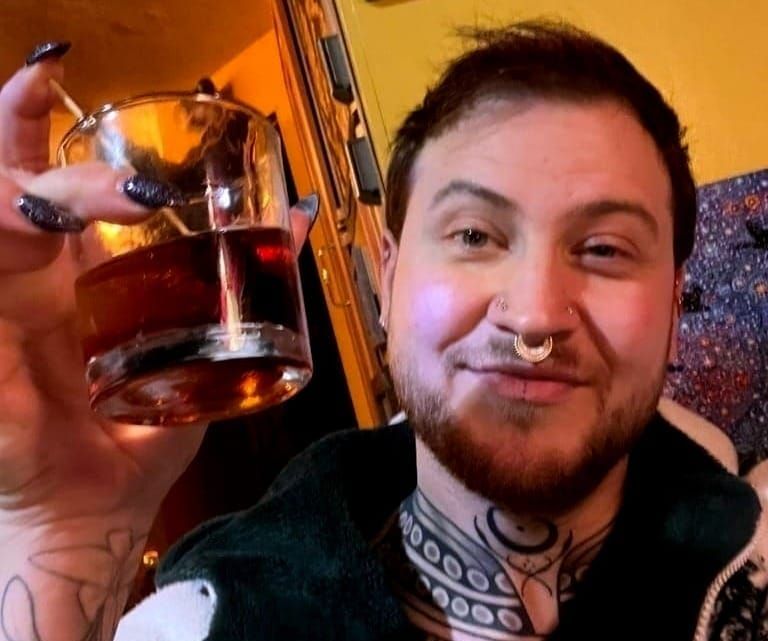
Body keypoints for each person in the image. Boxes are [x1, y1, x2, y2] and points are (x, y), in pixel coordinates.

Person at [0, 21, 765, 641]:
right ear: (388, 279)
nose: (533, 315)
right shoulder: (196, 624)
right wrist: (62, 540)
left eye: (603, 249)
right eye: (473, 236)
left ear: (672, 311)